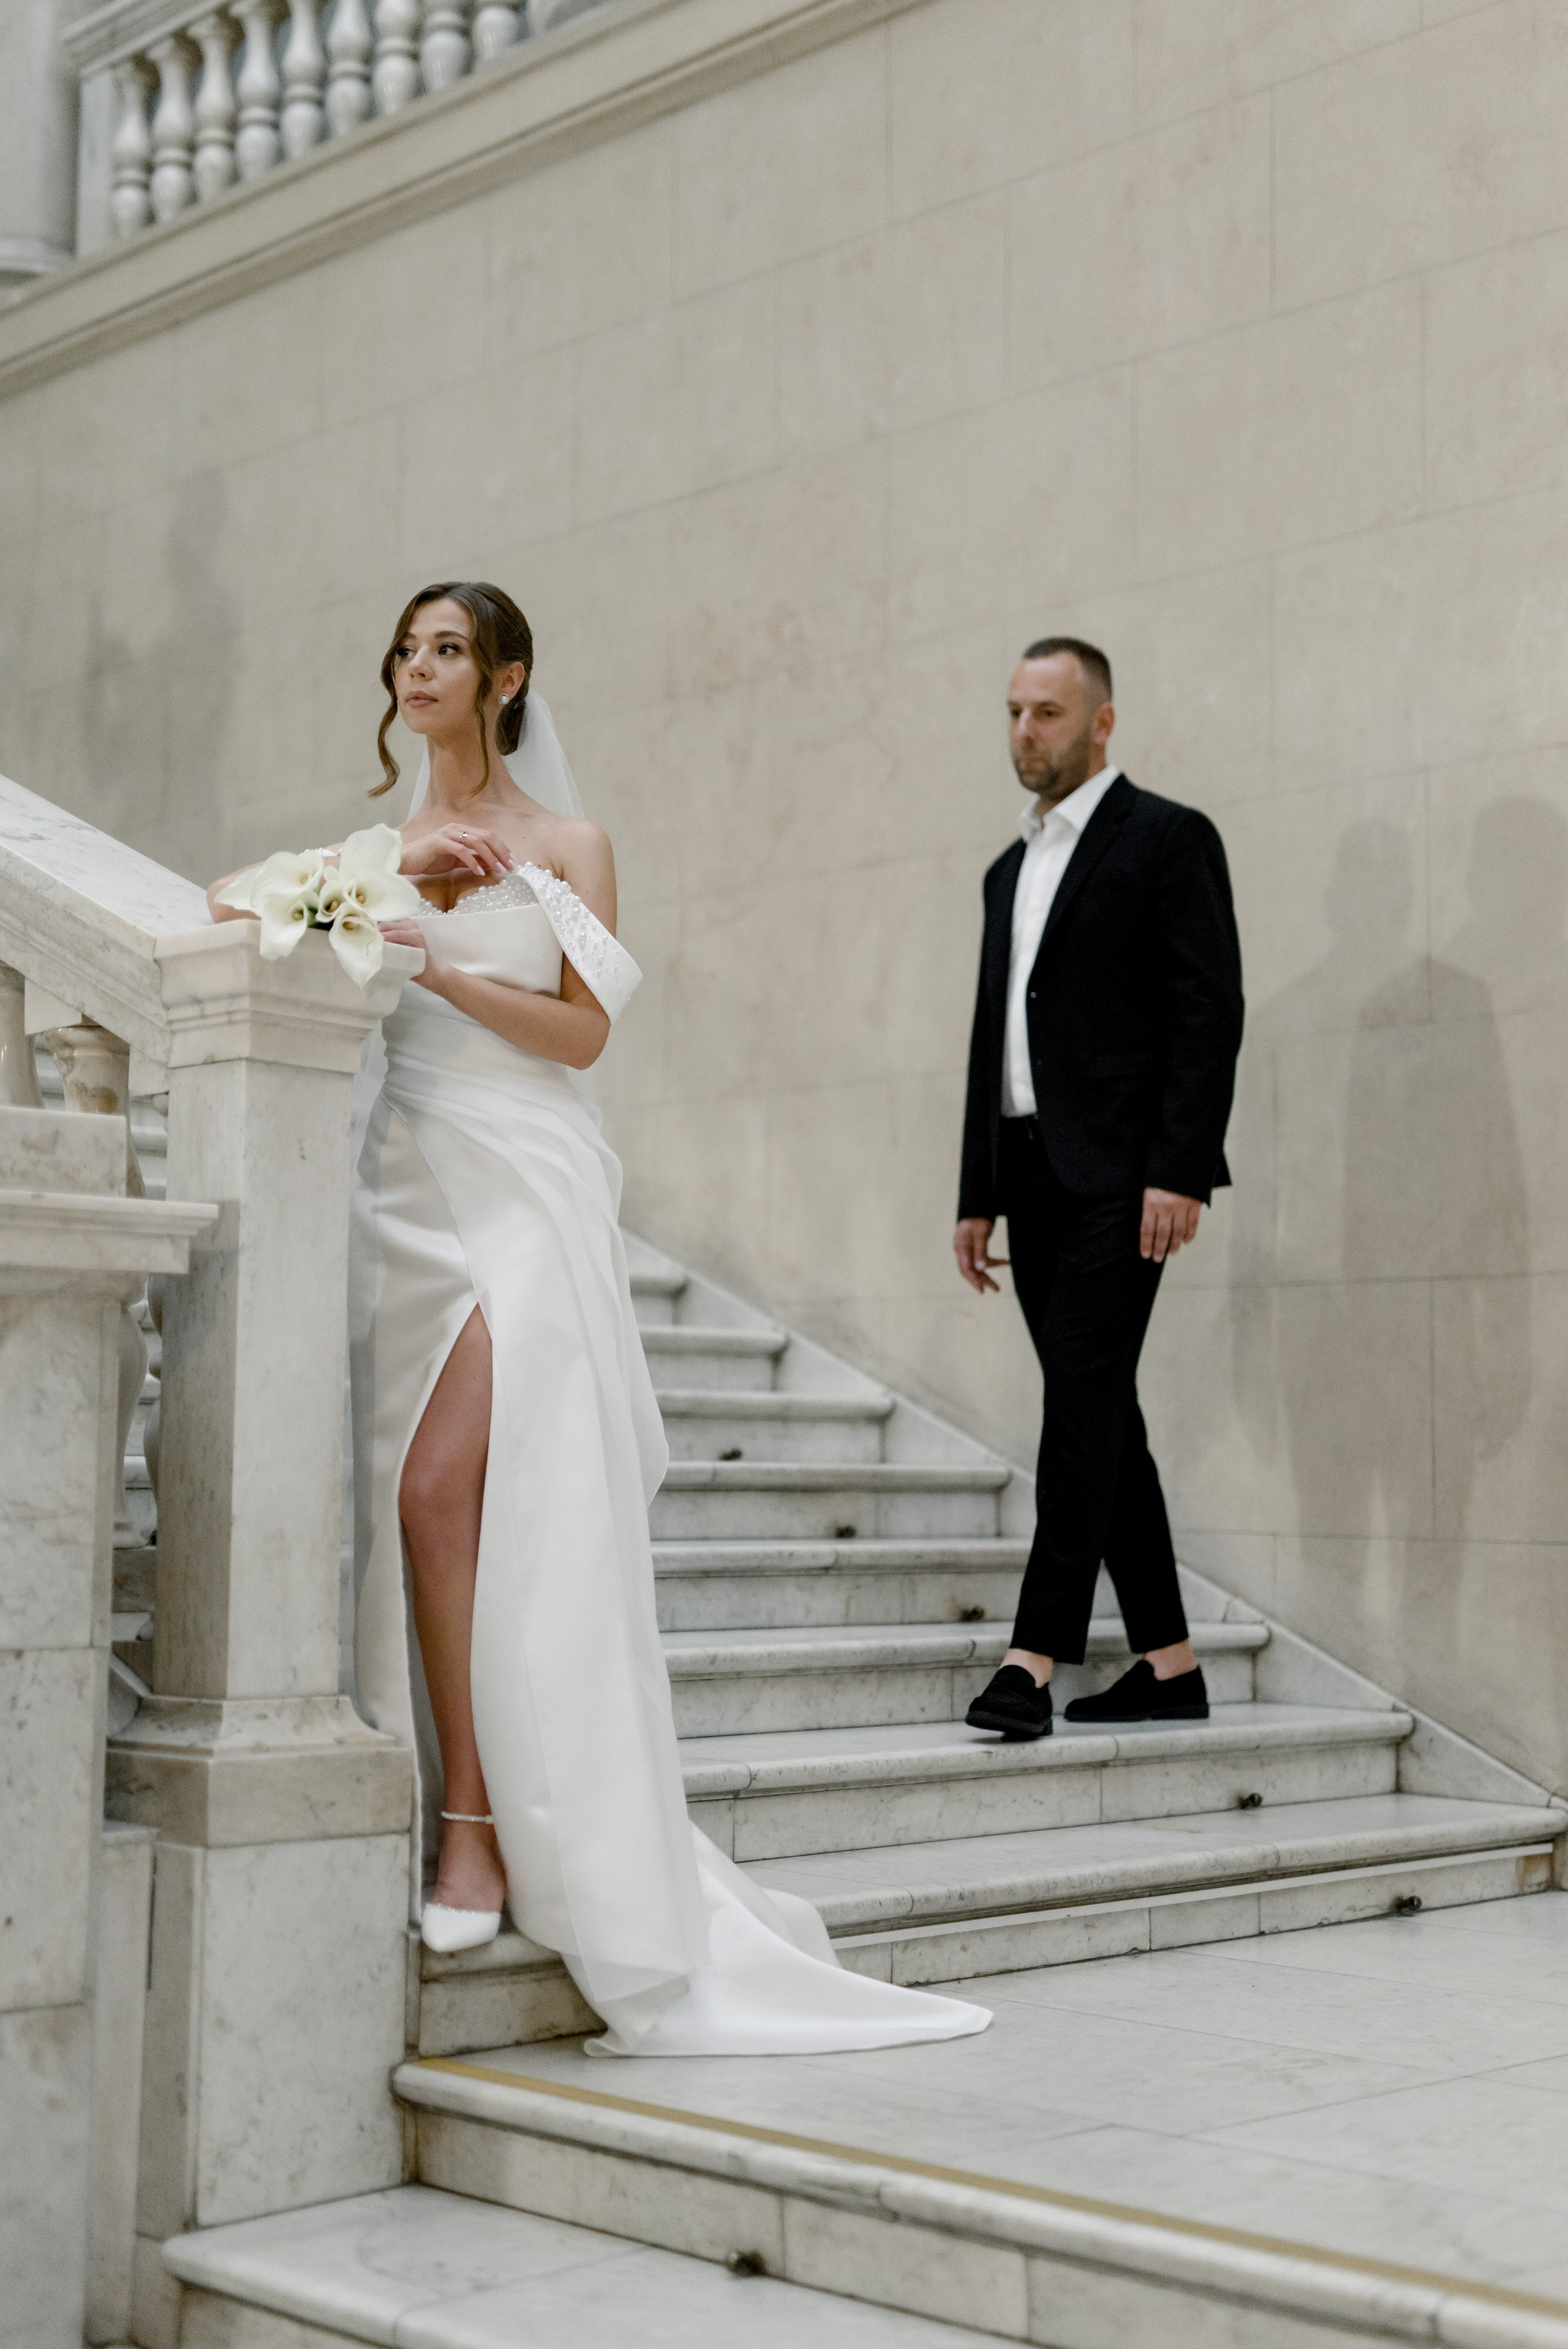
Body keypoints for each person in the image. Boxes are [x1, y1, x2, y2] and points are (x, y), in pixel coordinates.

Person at [208, 581, 987, 2058]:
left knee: (445, 1488)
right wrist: (381, 881)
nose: (417, 668)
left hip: (525, 1179)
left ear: (504, 680)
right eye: (407, 648)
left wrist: (433, 953)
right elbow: (217, 909)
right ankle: (457, 1803)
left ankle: (479, 1829)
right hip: (401, 1195)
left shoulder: (566, 848)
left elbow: (583, 1030)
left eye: (448, 649)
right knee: (419, 1506)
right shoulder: (374, 853)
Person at [955, 638, 1243, 1742]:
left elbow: (1208, 1011)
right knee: (1102, 1406)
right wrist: (978, 1192)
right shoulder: (1006, 869)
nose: (1027, 733)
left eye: (1049, 714)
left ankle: (1031, 1662)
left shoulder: (1168, 839)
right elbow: (995, 1038)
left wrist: (1180, 1166)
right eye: (1015, 712)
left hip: (1127, 1177)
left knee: (1077, 1405)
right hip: (1030, 1177)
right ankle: (1168, 1667)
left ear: (1102, 723)